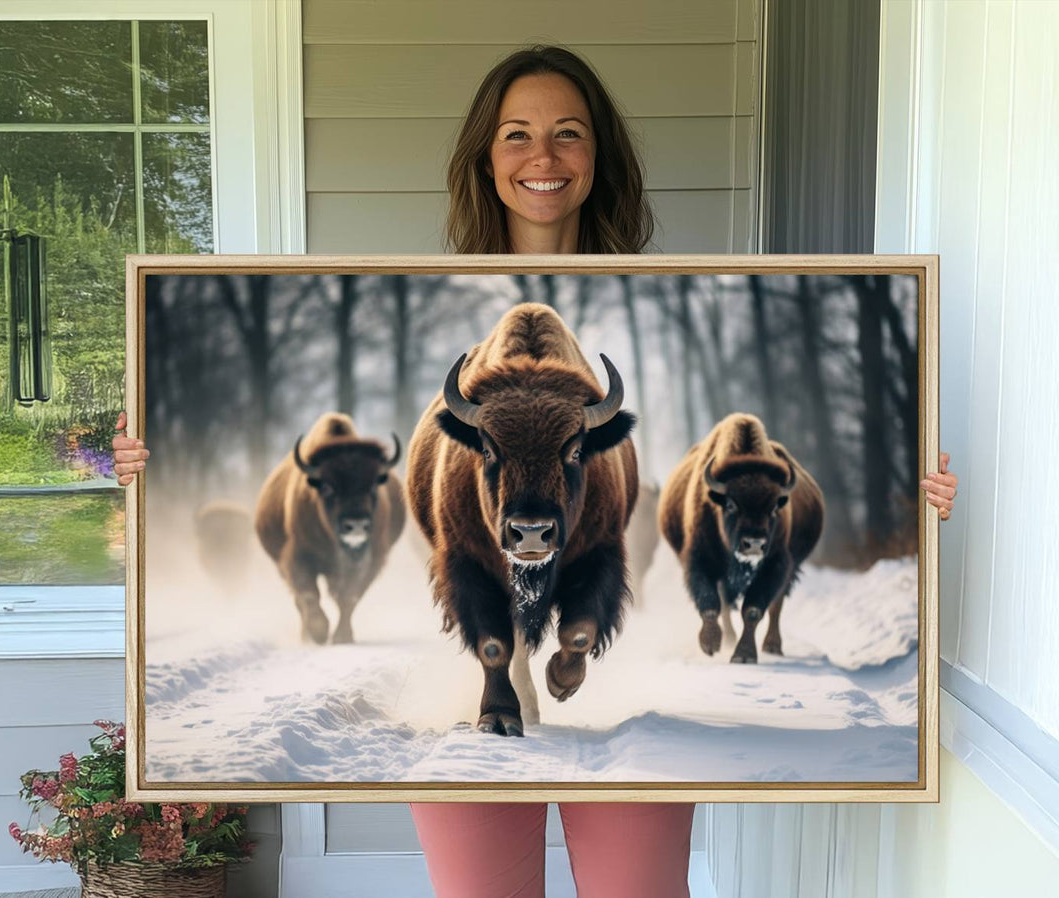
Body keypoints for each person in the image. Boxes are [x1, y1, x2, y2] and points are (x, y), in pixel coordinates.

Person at [113, 44, 959, 898]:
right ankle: (496, 658)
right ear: (486, 158)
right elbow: (453, 546)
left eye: (569, 134)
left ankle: (575, 638)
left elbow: (608, 542)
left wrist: (926, 501)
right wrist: (139, 464)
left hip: (593, 621)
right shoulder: (445, 387)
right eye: (516, 134)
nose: (542, 157)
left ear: (600, 158)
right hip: (481, 617)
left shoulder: (643, 350)